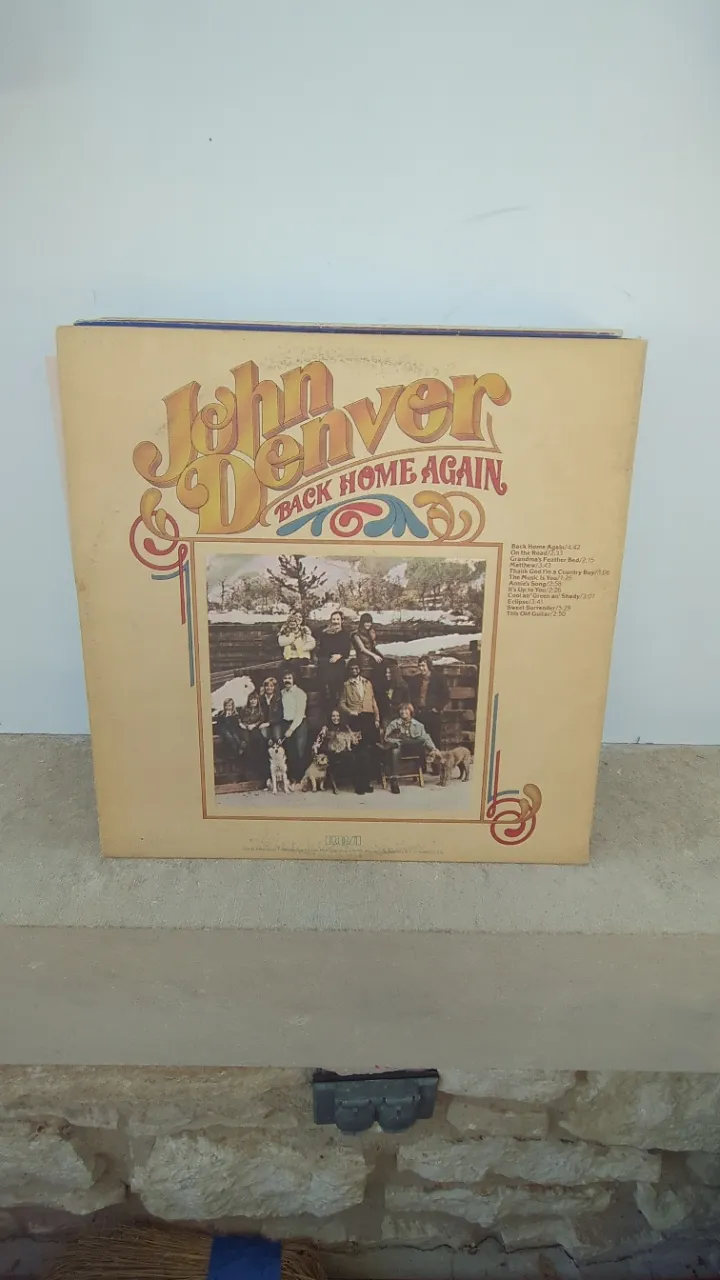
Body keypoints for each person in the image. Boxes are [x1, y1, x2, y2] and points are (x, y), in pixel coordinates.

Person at [382, 701, 438, 795]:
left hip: (412, 750)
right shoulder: (394, 724)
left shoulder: (418, 725)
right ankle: (394, 779)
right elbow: (386, 738)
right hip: (399, 749)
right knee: (395, 750)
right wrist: (398, 741)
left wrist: (433, 748)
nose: (403, 712)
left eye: (406, 709)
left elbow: (426, 738)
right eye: (401, 710)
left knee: (421, 739)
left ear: (411, 711)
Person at [407, 655, 450, 750]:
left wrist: (437, 708)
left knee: (435, 739)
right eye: (419, 666)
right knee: (419, 739)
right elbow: (410, 694)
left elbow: (445, 696)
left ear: (429, 666)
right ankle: (422, 759)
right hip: (419, 713)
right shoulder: (415, 680)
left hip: (433, 714)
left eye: (423, 665)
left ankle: (437, 758)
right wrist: (412, 706)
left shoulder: (439, 678)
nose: (421, 668)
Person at [317, 609, 352, 708]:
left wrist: (339, 655)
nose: (335, 622)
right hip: (326, 661)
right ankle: (327, 705)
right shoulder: (326, 634)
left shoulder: (345, 634)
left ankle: (338, 704)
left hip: (339, 661)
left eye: (338, 619)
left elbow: (346, 651)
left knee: (338, 677)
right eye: (333, 619)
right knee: (325, 677)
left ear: (342, 621)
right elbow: (322, 650)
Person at [278, 669, 308, 782]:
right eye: (285, 678)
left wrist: (291, 729)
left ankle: (300, 780)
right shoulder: (282, 693)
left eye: (289, 678)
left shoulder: (300, 693)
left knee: (299, 752)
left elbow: (300, 714)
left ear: (294, 679)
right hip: (286, 723)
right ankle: (291, 779)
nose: (287, 680)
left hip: (299, 724)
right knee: (290, 752)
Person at [237, 690, 270, 781]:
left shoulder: (259, 710)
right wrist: (241, 724)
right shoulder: (244, 709)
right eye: (251, 699)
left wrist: (254, 725)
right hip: (244, 727)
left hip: (254, 728)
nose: (253, 701)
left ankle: (258, 767)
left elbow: (261, 720)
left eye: (254, 699)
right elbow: (239, 718)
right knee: (245, 742)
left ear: (257, 700)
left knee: (258, 741)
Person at [374, 659, 409, 726]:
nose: (387, 675)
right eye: (386, 672)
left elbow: (406, 704)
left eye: (389, 673)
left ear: (394, 673)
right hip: (387, 716)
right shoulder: (385, 685)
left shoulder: (403, 686)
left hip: (399, 717)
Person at [351, 612, 384, 678]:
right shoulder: (356, 635)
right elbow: (362, 649)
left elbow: (373, 646)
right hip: (365, 659)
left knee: (392, 662)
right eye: (366, 622)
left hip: (371, 657)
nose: (368, 624)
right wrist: (374, 656)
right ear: (362, 623)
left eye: (370, 622)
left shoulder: (369, 633)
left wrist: (373, 636)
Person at [258, 675, 283, 743]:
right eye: (267, 686)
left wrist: (269, 723)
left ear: (275, 687)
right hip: (264, 723)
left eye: (271, 686)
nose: (269, 688)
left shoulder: (279, 699)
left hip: (276, 723)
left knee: (277, 738)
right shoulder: (260, 698)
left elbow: (280, 715)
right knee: (264, 736)